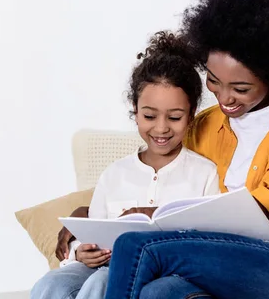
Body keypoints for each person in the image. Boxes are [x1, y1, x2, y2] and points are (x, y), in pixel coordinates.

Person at [56, 0, 269, 299]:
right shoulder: (204, 125)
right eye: (215, 81)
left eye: (240, 88)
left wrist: (161, 218)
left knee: (138, 246)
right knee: (158, 292)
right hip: (215, 254)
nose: (225, 98)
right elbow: (167, 179)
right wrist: (90, 216)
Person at [31, 31, 220, 299]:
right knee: (51, 284)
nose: (161, 128)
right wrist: (82, 251)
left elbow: (211, 241)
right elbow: (93, 233)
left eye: (175, 117)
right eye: (149, 116)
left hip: (160, 271)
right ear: (135, 109)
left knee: (102, 282)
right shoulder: (115, 174)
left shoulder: (204, 173)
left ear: (191, 115)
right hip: (105, 265)